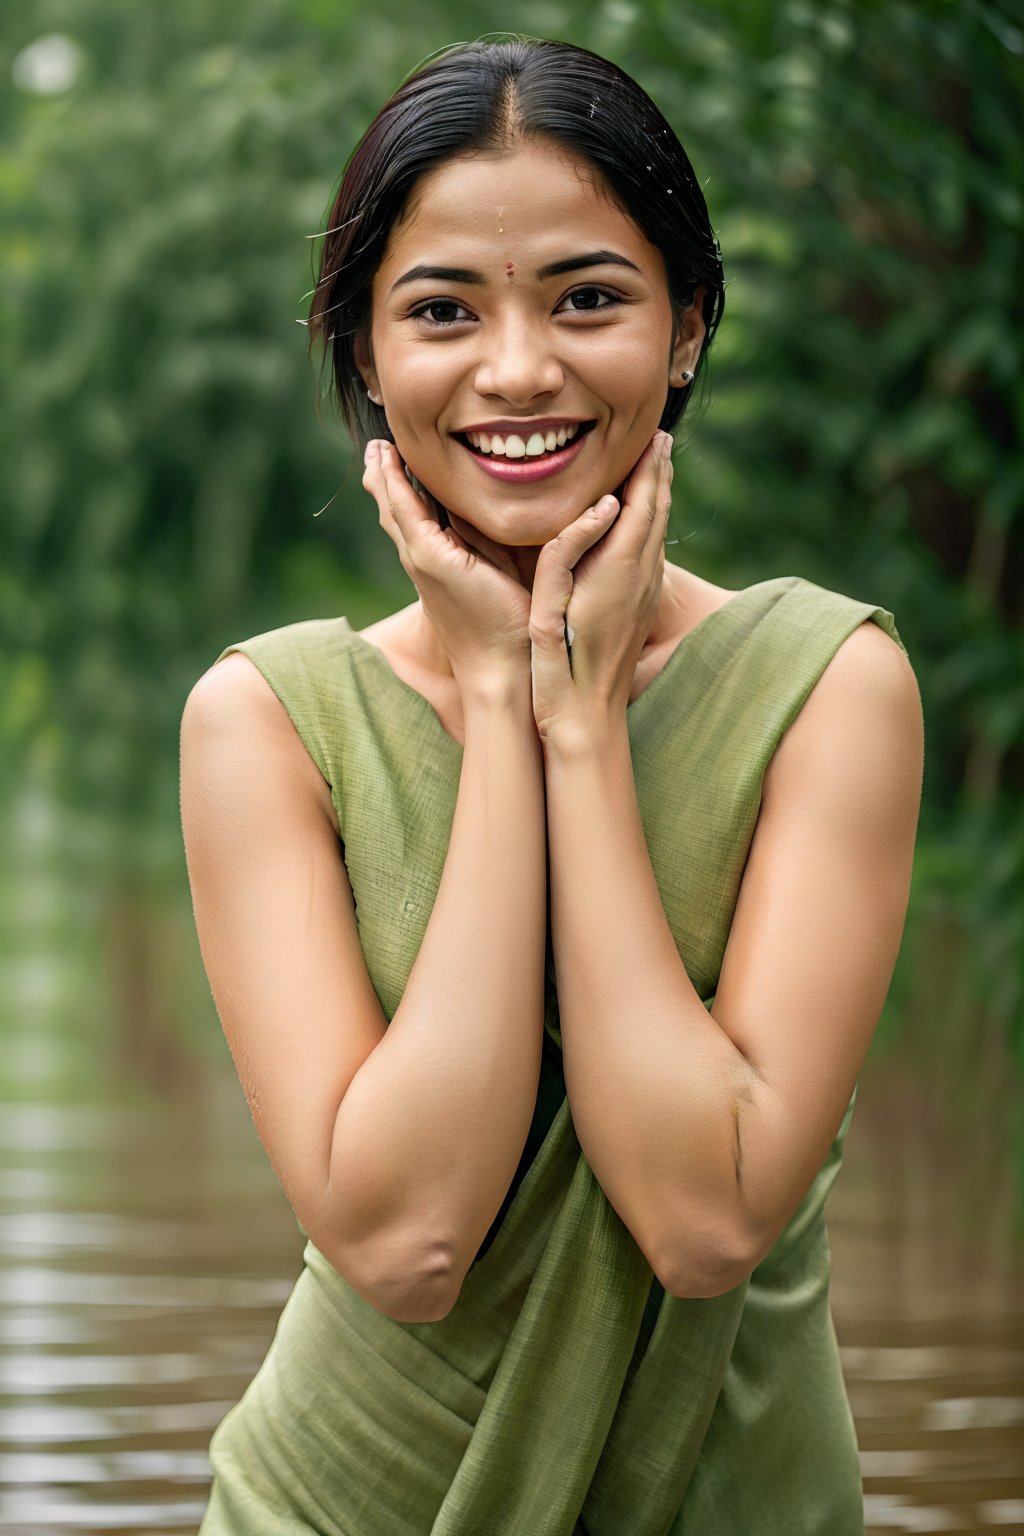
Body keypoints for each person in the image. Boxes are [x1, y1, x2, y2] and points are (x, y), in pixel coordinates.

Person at [179, 37, 923, 1536]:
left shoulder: (828, 689)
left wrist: (576, 721)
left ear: (689, 328)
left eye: (588, 297)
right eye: (443, 311)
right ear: (368, 356)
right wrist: (513, 728)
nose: (518, 370)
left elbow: (706, 1218)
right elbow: (407, 1243)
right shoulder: (267, 724)